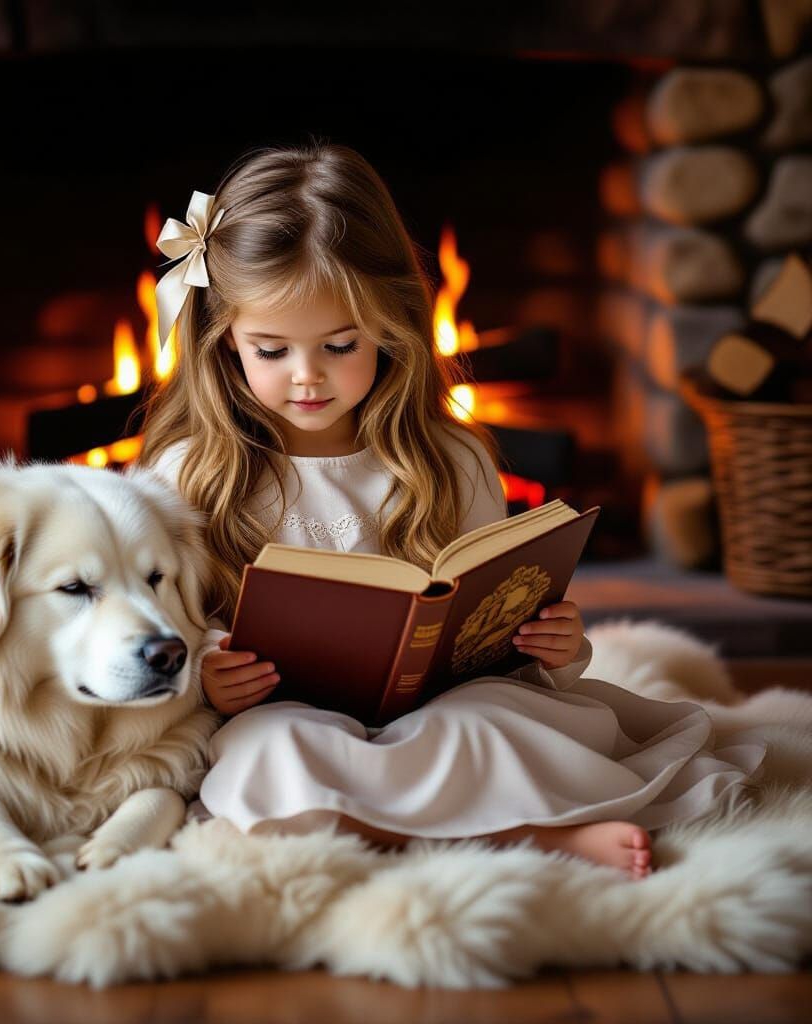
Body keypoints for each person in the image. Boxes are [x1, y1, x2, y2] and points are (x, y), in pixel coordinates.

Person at [134, 140, 767, 880]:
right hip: (283, 715)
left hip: (438, 710)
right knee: (271, 758)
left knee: (491, 728)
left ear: (390, 328)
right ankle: (517, 836)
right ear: (224, 343)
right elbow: (161, 631)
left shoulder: (448, 458)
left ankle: (417, 829)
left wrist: (554, 645)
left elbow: (494, 610)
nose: (307, 377)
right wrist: (207, 674)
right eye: (270, 351)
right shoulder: (187, 475)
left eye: (340, 346)